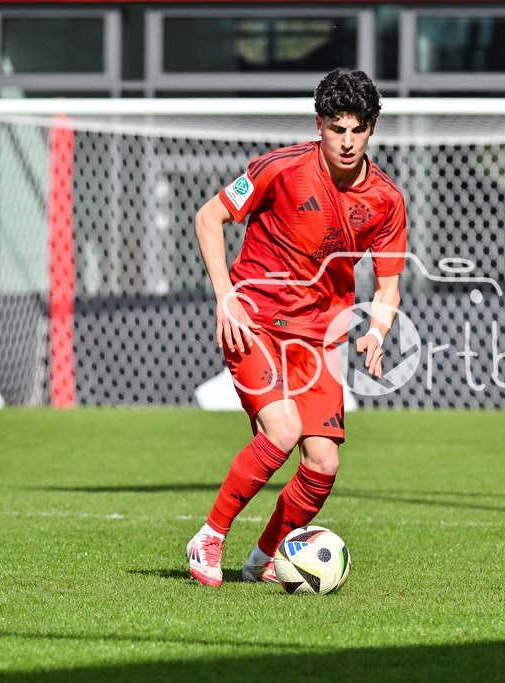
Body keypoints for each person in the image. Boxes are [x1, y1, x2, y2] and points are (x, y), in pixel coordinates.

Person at [186, 67, 407, 586]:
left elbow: (389, 286)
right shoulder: (280, 168)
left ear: (372, 129)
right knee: (282, 431)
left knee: (323, 463)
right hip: (255, 320)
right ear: (319, 125)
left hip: (318, 337)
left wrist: (376, 332)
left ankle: (264, 558)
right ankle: (209, 537)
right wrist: (225, 298)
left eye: (358, 129)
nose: (347, 141)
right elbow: (208, 218)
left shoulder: (386, 200)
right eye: (337, 128)